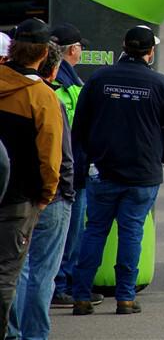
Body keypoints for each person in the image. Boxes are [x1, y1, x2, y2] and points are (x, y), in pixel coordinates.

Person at [71, 25, 164, 316]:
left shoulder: (98, 79)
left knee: (94, 231)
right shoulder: (160, 84)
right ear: (151, 52)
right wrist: (159, 156)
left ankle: (81, 295)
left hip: (104, 170)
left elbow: (79, 126)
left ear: (123, 46)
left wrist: (91, 158)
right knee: (131, 233)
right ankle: (125, 298)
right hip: (142, 174)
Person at [0, 19, 63, 336]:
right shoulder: (42, 96)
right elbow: (50, 155)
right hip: (18, 197)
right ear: (42, 55)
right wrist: (47, 193)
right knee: (8, 272)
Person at [8, 42, 74, 340]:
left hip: (10, 195)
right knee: (42, 274)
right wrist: (54, 193)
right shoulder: (45, 97)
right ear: (51, 64)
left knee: (15, 271)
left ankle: (13, 331)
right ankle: (34, 336)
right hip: (44, 197)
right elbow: (56, 154)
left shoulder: (10, 90)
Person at [48, 23, 103, 309]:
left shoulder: (64, 78)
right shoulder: (61, 82)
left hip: (72, 167)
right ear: (72, 49)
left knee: (71, 231)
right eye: (80, 46)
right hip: (70, 171)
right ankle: (61, 285)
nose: (82, 50)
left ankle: (64, 282)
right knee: (69, 233)